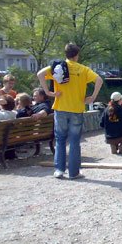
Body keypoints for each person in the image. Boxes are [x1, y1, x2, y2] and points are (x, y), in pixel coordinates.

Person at [37, 43, 103, 180]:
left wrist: (48, 92)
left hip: (60, 107)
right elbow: (99, 80)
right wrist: (92, 97)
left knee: (60, 139)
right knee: (74, 141)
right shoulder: (83, 69)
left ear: (66, 54)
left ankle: (59, 170)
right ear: (77, 55)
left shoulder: (58, 67)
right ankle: (74, 173)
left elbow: (40, 74)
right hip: (77, 108)